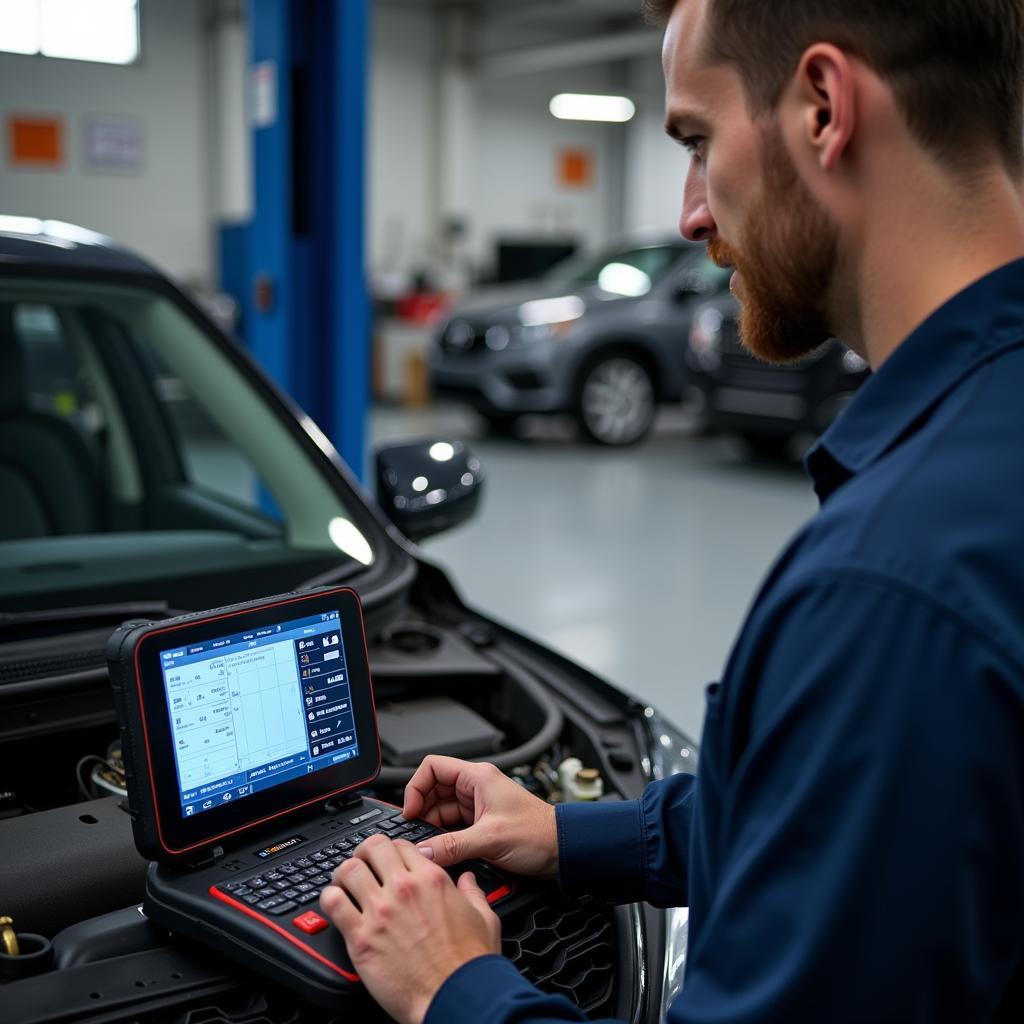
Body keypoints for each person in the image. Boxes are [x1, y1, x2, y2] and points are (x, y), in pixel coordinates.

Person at [319, 0, 1024, 1019]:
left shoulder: (889, 589)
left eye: (696, 140)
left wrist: (455, 984)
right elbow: (851, 821)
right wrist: (571, 836)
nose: (691, 211)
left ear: (823, 108)